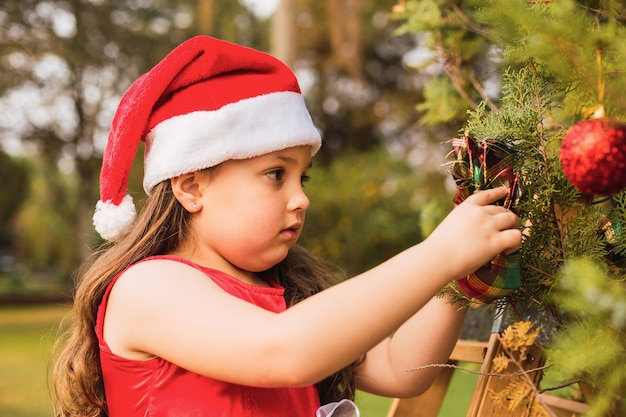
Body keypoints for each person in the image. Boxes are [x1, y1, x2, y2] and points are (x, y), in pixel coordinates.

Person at [52, 35, 522, 417]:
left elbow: (402, 369)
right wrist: (437, 252)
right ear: (191, 187)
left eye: (302, 176)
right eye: (276, 174)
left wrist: (461, 273)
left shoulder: (288, 294)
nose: (301, 198)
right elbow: (286, 351)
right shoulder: (148, 287)